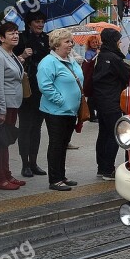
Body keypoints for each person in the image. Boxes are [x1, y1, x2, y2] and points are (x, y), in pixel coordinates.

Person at [37, 28, 84, 191]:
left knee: (63, 144)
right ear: (56, 45)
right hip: (56, 111)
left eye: (71, 41)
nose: (71, 44)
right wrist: (62, 102)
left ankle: (61, 176)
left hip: (70, 111)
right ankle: (55, 179)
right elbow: (45, 86)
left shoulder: (70, 59)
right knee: (56, 145)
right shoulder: (48, 62)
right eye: (67, 42)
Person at [0, 21, 27, 190]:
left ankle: (7, 174)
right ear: (1, 37)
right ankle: (0, 179)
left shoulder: (10, 54)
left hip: (14, 103)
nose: (15, 35)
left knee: (5, 141)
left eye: (17, 32)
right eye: (11, 33)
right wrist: (1, 109)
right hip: (5, 105)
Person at [13, 10, 49, 177]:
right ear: (29, 23)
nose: (40, 24)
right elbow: (10, 62)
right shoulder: (20, 38)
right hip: (26, 89)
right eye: (37, 21)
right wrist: (22, 55)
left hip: (42, 89)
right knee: (25, 127)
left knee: (36, 128)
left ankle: (34, 162)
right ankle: (24, 164)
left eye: (42, 21)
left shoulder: (47, 39)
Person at [92, 28, 130, 180]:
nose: (120, 42)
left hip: (100, 101)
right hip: (112, 101)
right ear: (113, 41)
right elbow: (128, 75)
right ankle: (108, 169)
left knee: (103, 134)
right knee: (114, 135)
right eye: (118, 39)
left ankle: (101, 168)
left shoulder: (101, 55)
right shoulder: (113, 58)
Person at [83, 35, 101, 122]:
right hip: (91, 76)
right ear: (89, 44)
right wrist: (97, 54)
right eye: (93, 42)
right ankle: (91, 115)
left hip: (97, 76)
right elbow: (89, 62)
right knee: (91, 97)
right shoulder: (88, 52)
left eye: (96, 42)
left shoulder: (99, 50)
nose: (95, 44)